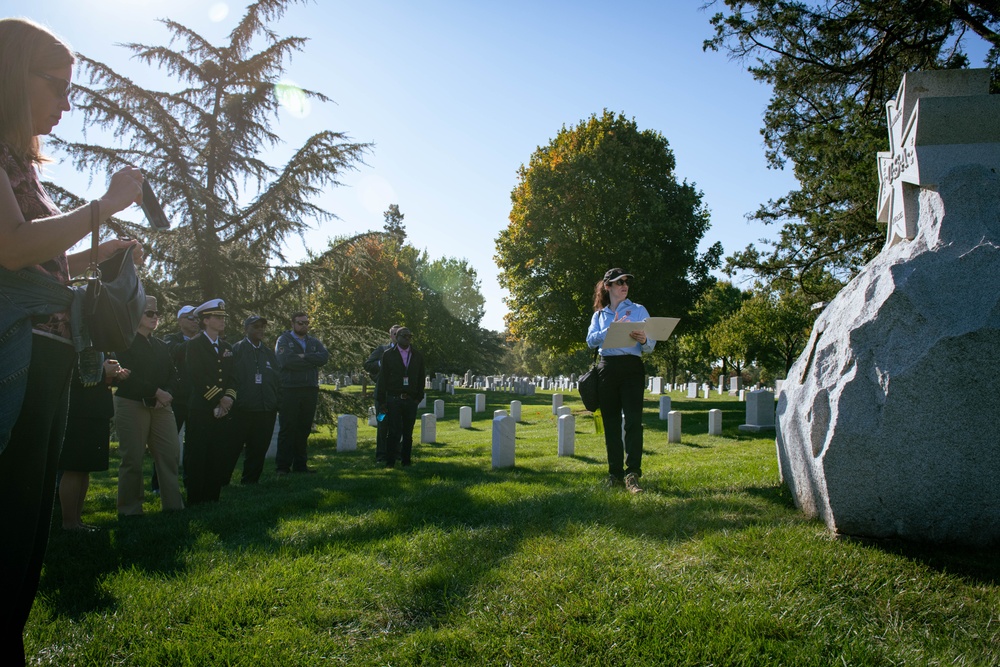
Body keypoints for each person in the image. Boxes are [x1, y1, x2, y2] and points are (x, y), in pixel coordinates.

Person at [0, 18, 143, 664]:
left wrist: (97, 252)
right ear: (10, 75)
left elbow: (41, 261)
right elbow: (11, 247)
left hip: (48, 367)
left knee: (27, 532)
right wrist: (100, 209)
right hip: (16, 362)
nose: (65, 103)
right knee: (7, 523)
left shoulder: (20, 166)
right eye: (57, 86)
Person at [586, 268, 656, 494]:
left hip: (632, 368)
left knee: (634, 422)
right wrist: (611, 329)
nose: (624, 285)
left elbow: (650, 346)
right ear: (608, 287)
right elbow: (590, 341)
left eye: (626, 281)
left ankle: (632, 474)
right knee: (611, 423)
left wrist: (645, 339)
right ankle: (614, 474)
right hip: (607, 369)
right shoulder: (599, 315)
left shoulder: (639, 310)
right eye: (619, 282)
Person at [114, 296, 185, 515]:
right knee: (133, 458)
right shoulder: (123, 342)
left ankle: (173, 506)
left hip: (161, 406)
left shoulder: (161, 346)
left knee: (169, 455)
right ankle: (130, 509)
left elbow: (173, 374)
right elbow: (128, 375)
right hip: (132, 404)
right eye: (149, 314)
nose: (155, 318)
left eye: (157, 314)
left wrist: (168, 394)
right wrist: (156, 392)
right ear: (136, 314)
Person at [58, 358, 128, 530]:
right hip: (79, 412)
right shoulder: (77, 345)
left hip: (97, 410)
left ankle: (77, 520)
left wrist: (115, 374)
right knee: (74, 468)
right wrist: (104, 372)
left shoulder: (100, 344)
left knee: (84, 469)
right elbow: (74, 376)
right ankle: (69, 523)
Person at [183, 298, 236, 504]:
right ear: (205, 320)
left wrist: (229, 397)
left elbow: (233, 376)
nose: (222, 321)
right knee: (198, 452)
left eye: (223, 317)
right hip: (201, 407)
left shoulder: (226, 346)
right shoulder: (195, 345)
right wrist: (218, 399)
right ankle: (196, 497)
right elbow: (197, 376)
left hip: (222, 408)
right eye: (217, 317)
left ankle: (213, 496)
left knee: (217, 452)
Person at [226, 315, 280, 484]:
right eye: (256, 326)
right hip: (242, 408)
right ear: (246, 328)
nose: (260, 329)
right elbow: (230, 378)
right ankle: (222, 479)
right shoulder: (237, 350)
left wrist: (275, 402)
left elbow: (277, 379)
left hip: (265, 409)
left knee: (259, 447)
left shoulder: (268, 353)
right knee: (232, 447)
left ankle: (251, 480)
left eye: (263, 326)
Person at [274, 311, 329, 474]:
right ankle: (283, 467)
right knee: (288, 428)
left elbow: (324, 358)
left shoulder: (313, 341)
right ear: (292, 323)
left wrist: (303, 356)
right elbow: (287, 361)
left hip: (310, 389)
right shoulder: (284, 340)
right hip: (290, 389)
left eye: (306, 323)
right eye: (300, 323)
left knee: (304, 428)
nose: (304, 326)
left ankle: (300, 465)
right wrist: (311, 361)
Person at [154, 304, 198, 494]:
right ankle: (158, 485)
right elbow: (176, 352)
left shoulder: (202, 341)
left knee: (195, 445)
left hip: (196, 399)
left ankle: (191, 481)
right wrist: (197, 341)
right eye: (190, 317)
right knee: (168, 446)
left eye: (196, 317)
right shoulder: (170, 339)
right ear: (180, 320)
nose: (194, 320)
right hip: (177, 399)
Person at [376, 327, 425, 468]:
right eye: (404, 336)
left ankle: (406, 461)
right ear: (396, 337)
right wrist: (382, 401)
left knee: (408, 432)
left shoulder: (417, 356)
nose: (408, 339)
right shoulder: (388, 355)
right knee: (393, 431)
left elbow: (421, 377)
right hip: (394, 398)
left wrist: (418, 398)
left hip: (410, 399)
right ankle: (390, 461)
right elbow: (383, 378)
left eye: (410, 336)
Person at [363, 324, 401, 462]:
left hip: (399, 395)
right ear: (390, 335)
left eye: (400, 333)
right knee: (383, 425)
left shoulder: (407, 352)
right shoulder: (382, 350)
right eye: (395, 334)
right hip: (383, 395)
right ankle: (381, 455)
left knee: (398, 426)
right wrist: (381, 363)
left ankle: (397, 454)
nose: (398, 336)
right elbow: (368, 365)